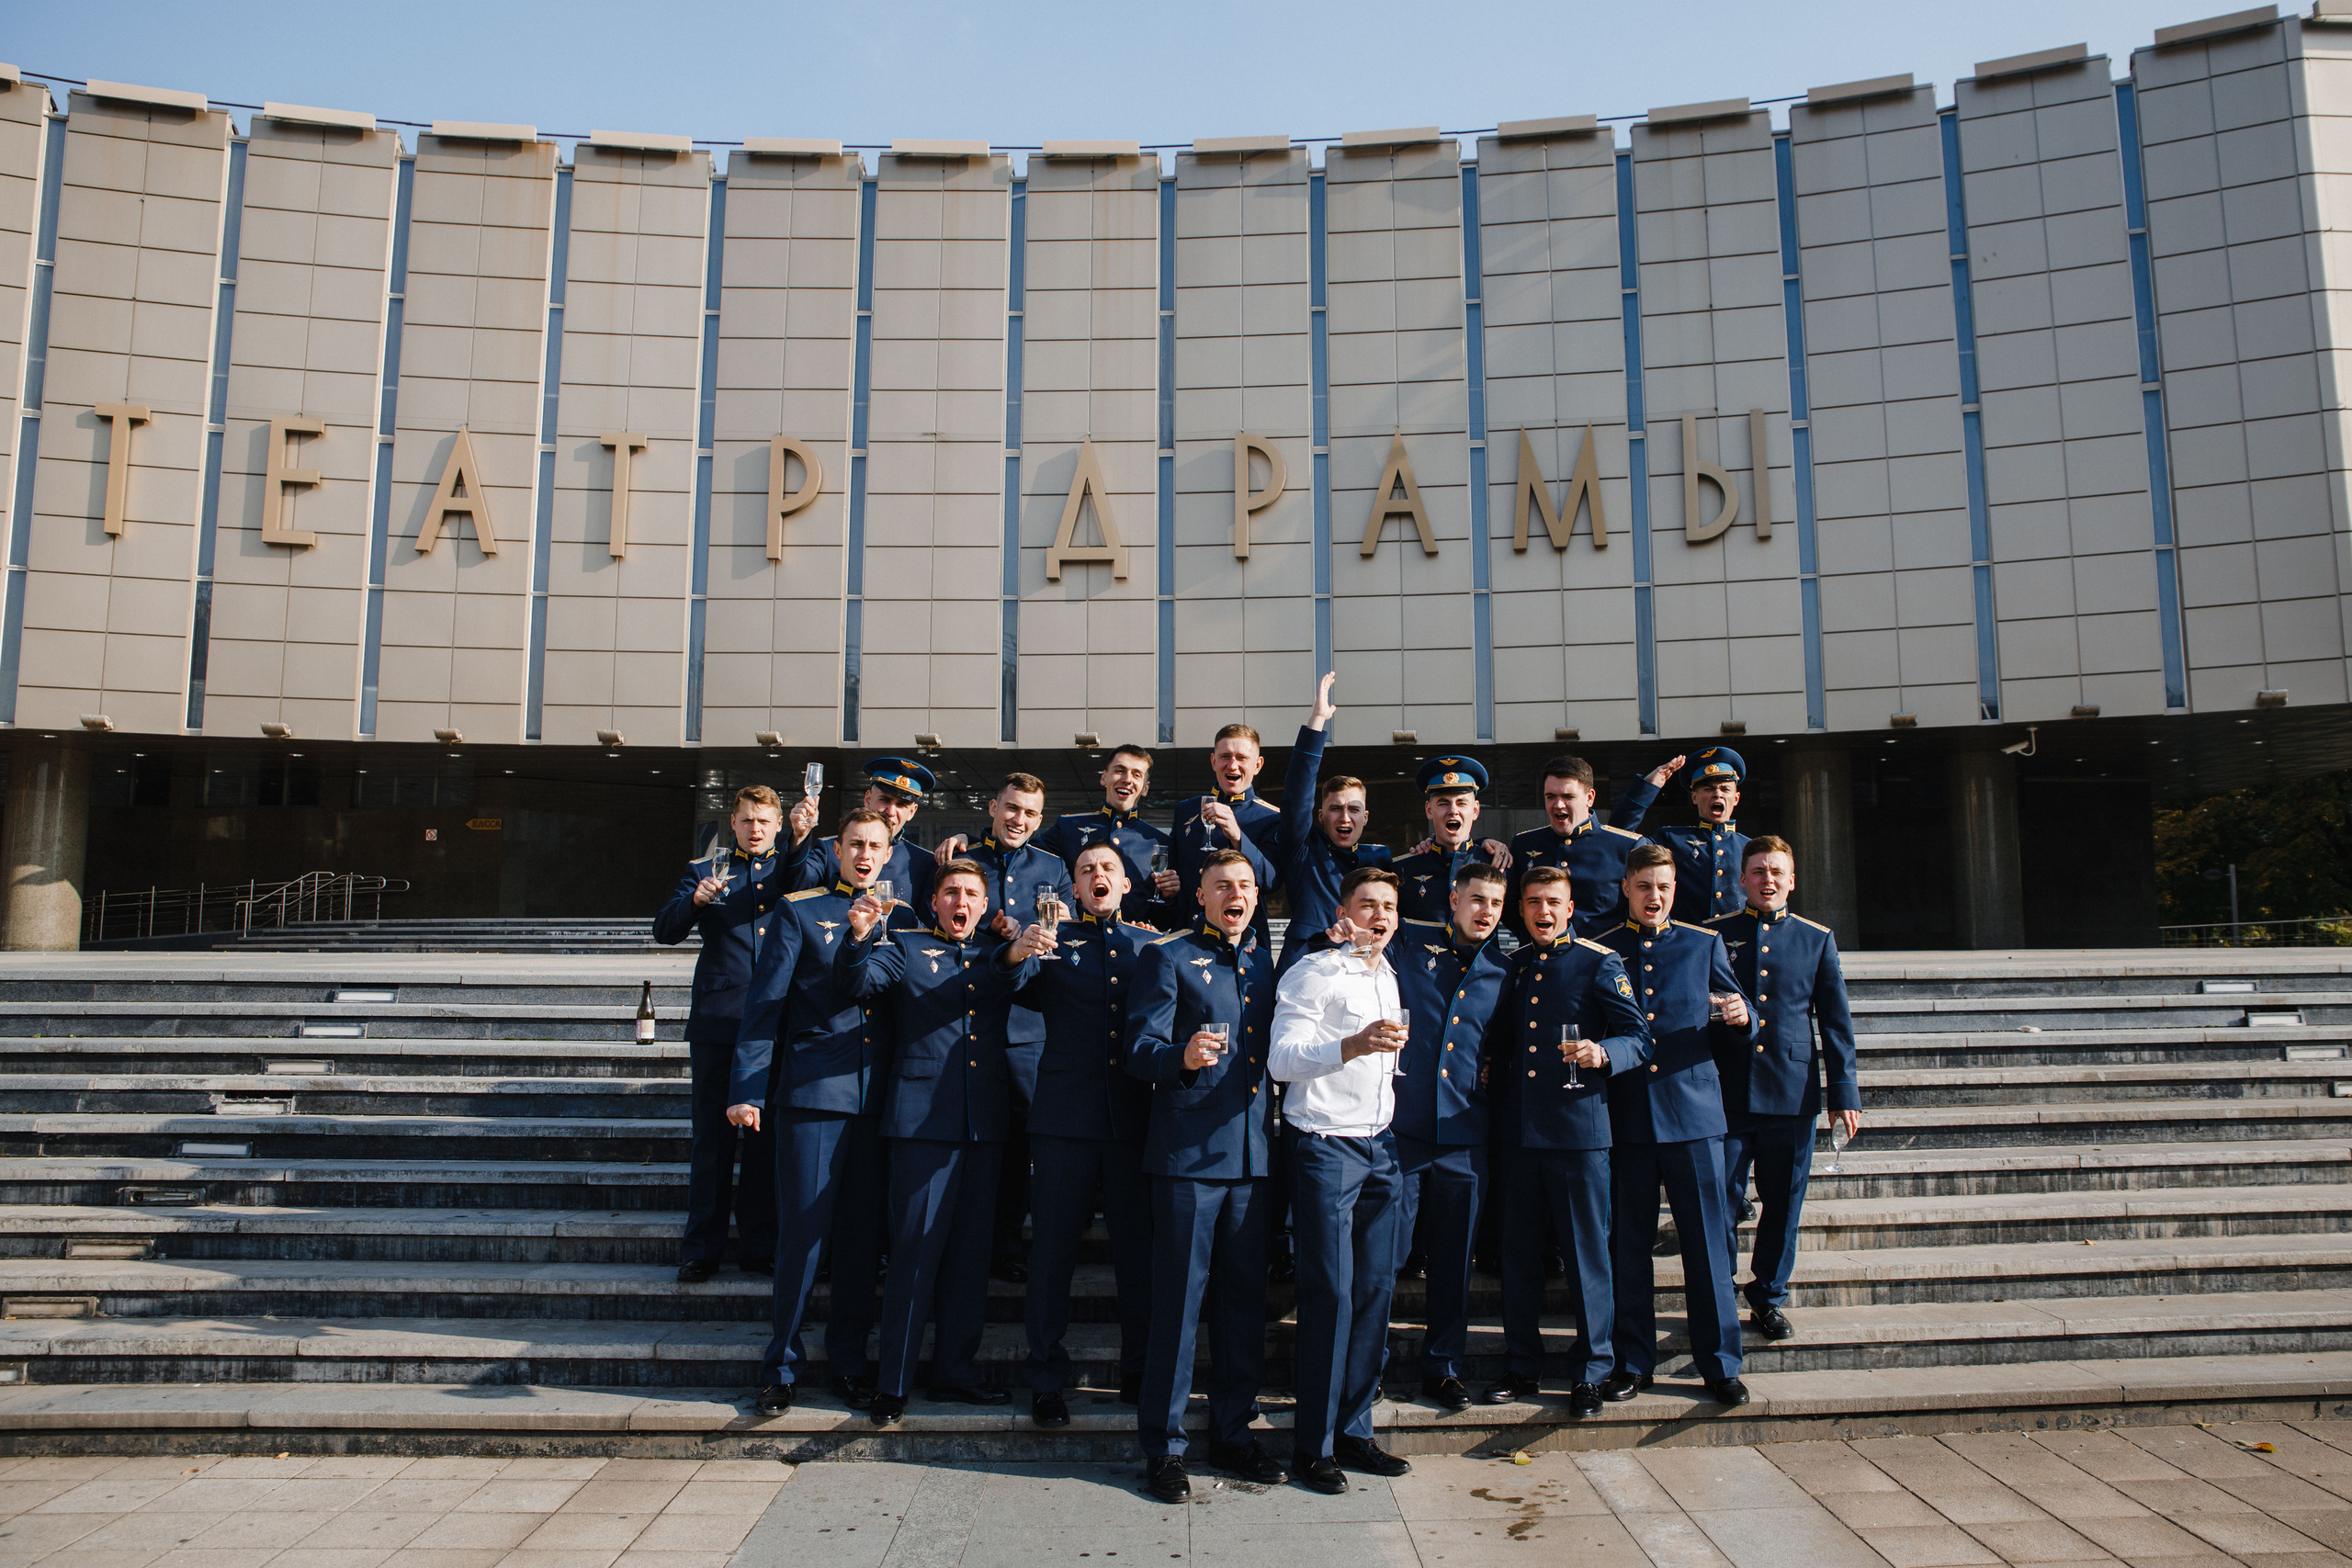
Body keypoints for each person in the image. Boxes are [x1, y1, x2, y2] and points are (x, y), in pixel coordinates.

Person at [834, 859, 1048, 1425]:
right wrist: (857, 938)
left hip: (985, 1125)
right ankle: (893, 1382)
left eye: (972, 894)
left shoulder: (1000, 952)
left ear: (985, 905)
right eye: (951, 892)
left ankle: (955, 1372)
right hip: (920, 1126)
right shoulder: (904, 946)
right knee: (914, 1255)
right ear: (934, 902)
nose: (961, 902)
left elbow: (1022, 981)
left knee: (971, 1259)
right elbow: (858, 982)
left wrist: (1017, 946)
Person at [725, 807, 902, 1414]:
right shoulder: (800, 911)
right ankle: (781, 1365)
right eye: (855, 843)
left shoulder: (903, 918)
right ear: (837, 849)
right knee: (803, 1235)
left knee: (860, 1242)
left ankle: (848, 1363)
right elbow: (763, 1006)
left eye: (875, 845)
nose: (865, 854)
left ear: (889, 853)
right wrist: (746, 1088)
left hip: (878, 1101)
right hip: (812, 1097)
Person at [1125, 848, 1286, 1502]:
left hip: (1252, 1159)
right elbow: (1138, 1050)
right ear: (1201, 895)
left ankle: (1234, 1433)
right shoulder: (1167, 956)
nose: (1234, 894)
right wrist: (1183, 1057)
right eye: (1222, 885)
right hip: (1188, 1159)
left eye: (1245, 885)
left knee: (1242, 1307)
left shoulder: (1265, 962)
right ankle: (1164, 1447)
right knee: (1179, 1307)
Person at [1479, 865, 1650, 1416]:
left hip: (1580, 1134)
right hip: (1521, 1136)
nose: (1544, 911)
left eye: (1553, 902)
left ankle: (1592, 1372)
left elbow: (1639, 1037)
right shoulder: (1515, 966)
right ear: (1521, 910)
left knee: (1586, 1256)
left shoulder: (1600, 962)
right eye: (1533, 902)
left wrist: (1603, 1053)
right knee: (1519, 1257)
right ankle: (1522, 1365)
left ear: (1570, 908)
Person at [1270, 867, 1414, 1493]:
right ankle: (1314, 1446)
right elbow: (1281, 1060)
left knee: (1375, 1292)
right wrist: (1350, 1046)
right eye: (1367, 904)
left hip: (1382, 1145)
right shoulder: (1313, 972)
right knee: (1330, 1295)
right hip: (1326, 1147)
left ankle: (1355, 1431)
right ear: (1343, 914)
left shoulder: (1388, 974)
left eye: (1388, 906)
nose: (1379, 915)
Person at [1003, 840, 1157, 1427]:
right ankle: (1046, 1379)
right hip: (1064, 1121)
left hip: (1130, 1122)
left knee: (1137, 1256)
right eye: (1087, 870)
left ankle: (1139, 1370)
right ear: (1073, 888)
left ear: (1126, 884)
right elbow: (1010, 987)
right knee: (1052, 1255)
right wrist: (1017, 952)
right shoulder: (1050, 941)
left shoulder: (1148, 946)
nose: (1098, 876)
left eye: (1108, 869)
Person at [1595, 844, 1754, 1408]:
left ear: (1674, 890)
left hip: (1694, 1116)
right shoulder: (1602, 948)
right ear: (1626, 888)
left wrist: (1743, 1017)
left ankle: (1720, 1364)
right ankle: (1632, 1361)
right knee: (1628, 1247)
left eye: (1663, 887)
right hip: (1627, 1118)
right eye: (1644, 886)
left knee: (1708, 1247)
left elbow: (1741, 1008)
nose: (1654, 897)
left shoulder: (1702, 943)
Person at [1709, 834, 1860, 1342]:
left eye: (1776, 872)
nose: (1767, 880)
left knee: (1784, 1202)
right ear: (1742, 879)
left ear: (1792, 881)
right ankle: (1719, 1293)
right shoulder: (1714, 934)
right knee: (1719, 1201)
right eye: (1757, 871)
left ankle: (1768, 1295)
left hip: (1790, 1093)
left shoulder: (1816, 939)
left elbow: (1835, 1023)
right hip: (1725, 1093)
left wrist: (1844, 1094)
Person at [929, 773, 1076, 1285]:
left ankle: (1007, 1245)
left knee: (1018, 1143)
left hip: (1027, 1024)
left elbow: (1066, 933)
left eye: (1030, 813)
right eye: (1012, 808)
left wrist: (1049, 932)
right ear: (993, 807)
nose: (1019, 819)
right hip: (965, 1016)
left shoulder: (1053, 867)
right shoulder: (964, 858)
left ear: (1040, 819)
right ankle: (954, 1241)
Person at [1385, 863, 1513, 1411]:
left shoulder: (1504, 971)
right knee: (1384, 1256)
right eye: (1477, 899)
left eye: (1496, 904)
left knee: (1454, 1262)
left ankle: (1443, 1368)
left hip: (1465, 1134)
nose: (1486, 911)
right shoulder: (1409, 943)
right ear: (1455, 899)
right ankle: (1368, 1365)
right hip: (1404, 1129)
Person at [652, 784, 786, 1284]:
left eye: (764, 821)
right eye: (747, 820)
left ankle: (759, 1246)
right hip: (719, 1020)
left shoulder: (791, 871)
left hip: (773, 1023)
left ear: (778, 825)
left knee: (764, 1141)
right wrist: (694, 902)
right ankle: (701, 1250)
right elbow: (664, 930)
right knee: (711, 1140)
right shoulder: (702, 870)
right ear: (732, 822)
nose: (755, 829)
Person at [1275, 672, 1394, 973]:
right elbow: (1297, 795)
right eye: (1335, 809)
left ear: (1365, 817)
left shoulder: (1379, 858)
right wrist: (1317, 720)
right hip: (1307, 965)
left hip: (1362, 965)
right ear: (1320, 816)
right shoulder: (1304, 850)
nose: (1344, 817)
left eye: (1354, 809)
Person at [1506, 753, 1680, 939]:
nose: (1558, 804)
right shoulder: (1524, 843)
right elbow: (1511, 908)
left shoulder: (1626, 846)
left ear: (1589, 798)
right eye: (1550, 796)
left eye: (1568, 796)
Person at [1033, 744, 1181, 925]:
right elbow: (1027, 861)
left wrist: (1167, 897)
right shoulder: (1068, 827)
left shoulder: (1160, 843)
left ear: (1145, 788)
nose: (1127, 780)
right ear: (1104, 777)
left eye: (1137, 775)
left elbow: (1164, 922)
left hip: (1131, 940)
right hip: (1076, 938)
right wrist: (1055, 902)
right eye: (1119, 771)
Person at [1170, 723, 1281, 945]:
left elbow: (1271, 881)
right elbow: (1173, 875)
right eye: (1225, 757)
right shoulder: (1186, 810)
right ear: (1213, 761)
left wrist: (1238, 837)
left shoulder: (1271, 817)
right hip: (1187, 939)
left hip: (1243, 944)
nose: (1232, 765)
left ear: (1257, 765)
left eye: (1242, 758)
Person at [786, 756, 939, 913]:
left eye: (901, 804)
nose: (891, 812)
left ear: (912, 811)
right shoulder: (829, 849)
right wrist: (799, 836)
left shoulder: (923, 863)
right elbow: (793, 885)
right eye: (885, 800)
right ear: (868, 799)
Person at [1390, 755, 1512, 926]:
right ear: (1429, 810)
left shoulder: (1497, 864)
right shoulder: (1402, 869)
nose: (1453, 810)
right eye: (1443, 803)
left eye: (1461, 803)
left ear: (1475, 810)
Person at [1646, 747, 1749, 925]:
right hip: (1689, 939)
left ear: (1736, 798)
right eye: (1709, 789)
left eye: (1725, 789)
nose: (1718, 794)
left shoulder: (1750, 848)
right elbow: (1621, 840)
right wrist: (1648, 786)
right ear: (1694, 797)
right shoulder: (1672, 840)